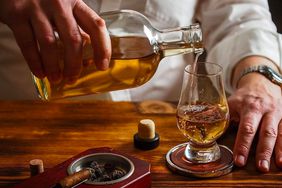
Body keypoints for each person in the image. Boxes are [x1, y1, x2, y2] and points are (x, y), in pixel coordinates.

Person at [0, 0, 281, 173]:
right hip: (20, 130)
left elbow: (241, 17)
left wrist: (260, 77)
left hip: (154, 146)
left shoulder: (151, 58)